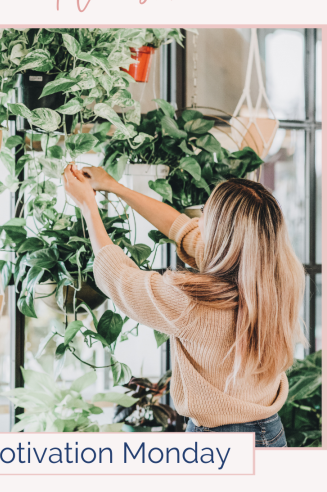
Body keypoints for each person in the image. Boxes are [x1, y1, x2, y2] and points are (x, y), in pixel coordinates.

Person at [62, 164, 306, 447]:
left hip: (219, 442)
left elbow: (117, 276)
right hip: (270, 432)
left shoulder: (195, 302)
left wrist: (87, 205)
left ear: (222, 234)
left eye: (207, 215)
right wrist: (113, 186)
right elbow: (181, 228)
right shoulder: (280, 278)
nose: (200, 220)